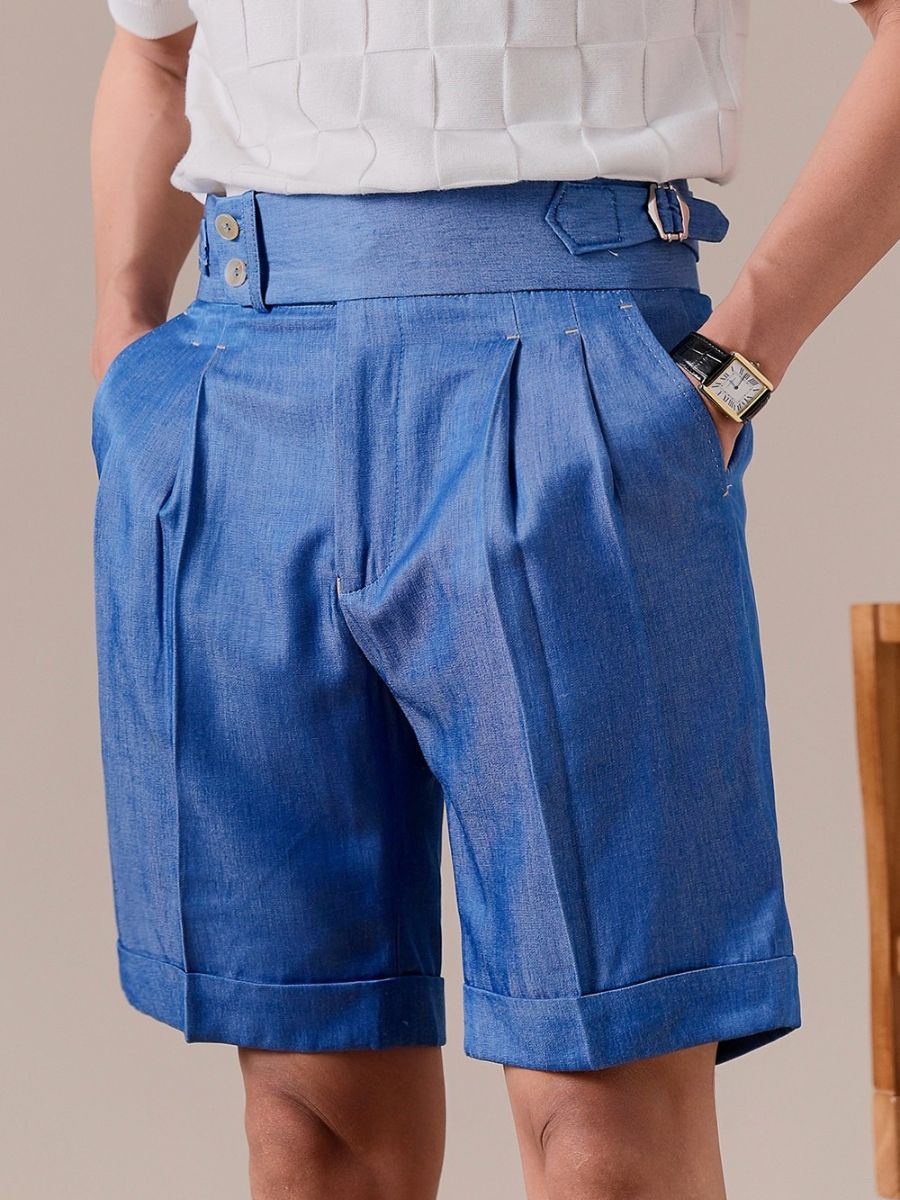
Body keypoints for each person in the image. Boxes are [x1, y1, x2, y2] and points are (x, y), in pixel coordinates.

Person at [88, 2, 900, 1197]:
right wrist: (123, 336)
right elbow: (157, 50)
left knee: (608, 1135)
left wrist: (740, 360)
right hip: (242, 388)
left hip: (566, 363)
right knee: (307, 1128)